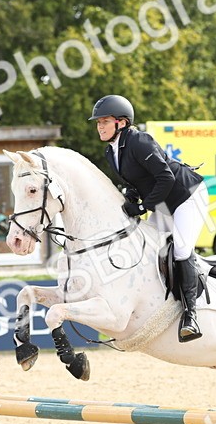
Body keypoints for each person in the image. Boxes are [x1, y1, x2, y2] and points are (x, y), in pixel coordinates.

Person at [89, 94, 208, 343]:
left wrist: (143, 206)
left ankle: (190, 316)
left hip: (187, 197)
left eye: (104, 121)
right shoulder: (111, 151)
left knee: (181, 251)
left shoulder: (139, 141)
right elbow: (135, 181)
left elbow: (166, 177)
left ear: (121, 122)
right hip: (164, 204)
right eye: (98, 122)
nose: (99, 126)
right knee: (147, 247)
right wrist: (132, 197)